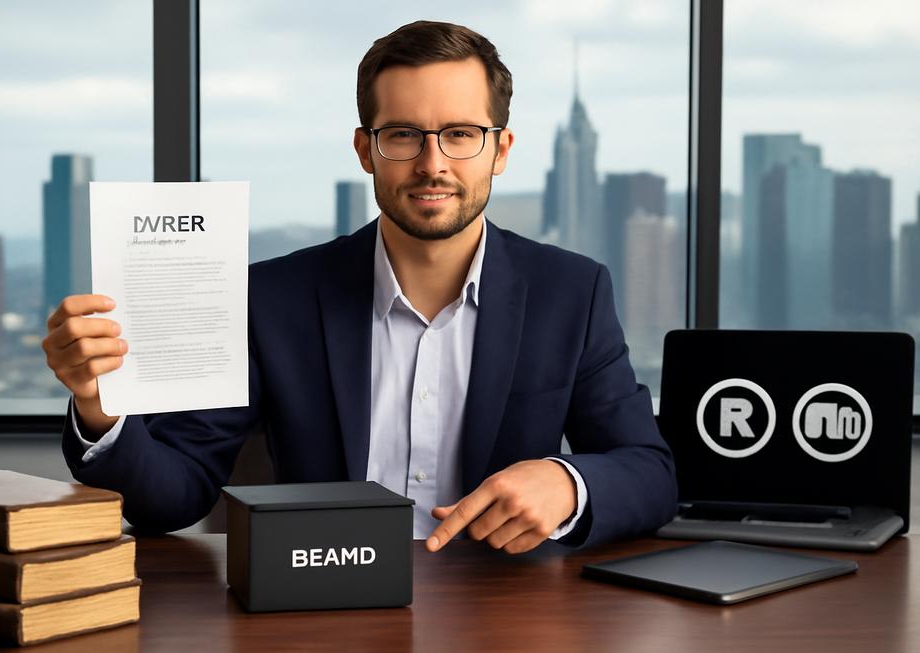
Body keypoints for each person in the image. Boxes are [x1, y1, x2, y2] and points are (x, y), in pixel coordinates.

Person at [43, 20, 676, 554]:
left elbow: (650, 472)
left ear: (501, 149)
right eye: (403, 135)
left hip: (503, 614)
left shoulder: (572, 293)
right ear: (365, 150)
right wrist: (101, 407)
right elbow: (172, 497)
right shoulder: (271, 299)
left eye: (460, 135)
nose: (433, 164)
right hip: (320, 609)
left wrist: (568, 484)